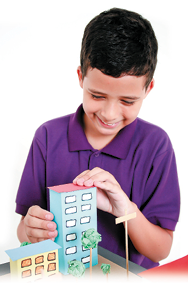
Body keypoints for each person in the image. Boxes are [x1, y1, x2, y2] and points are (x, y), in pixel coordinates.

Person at [16, 8, 180, 269]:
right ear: (81, 77)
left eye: (127, 101)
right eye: (97, 96)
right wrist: (29, 228)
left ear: (148, 89)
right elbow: (25, 232)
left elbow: (160, 250)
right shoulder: (48, 137)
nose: (109, 114)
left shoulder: (156, 145)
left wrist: (124, 208)